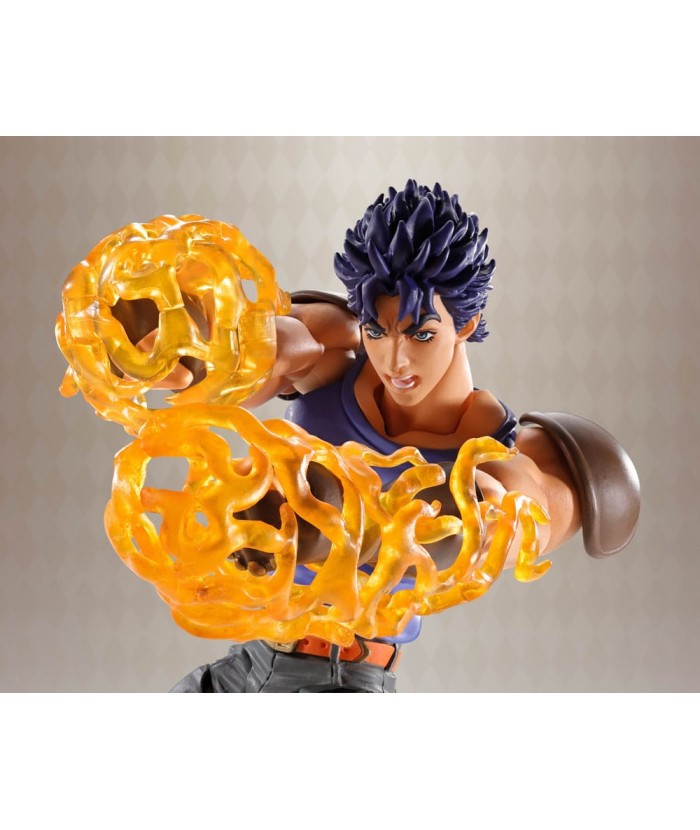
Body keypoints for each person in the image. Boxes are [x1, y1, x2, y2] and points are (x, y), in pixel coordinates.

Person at [170, 180, 640, 693]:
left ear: (466, 323)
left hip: (337, 676)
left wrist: (328, 517)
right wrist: (182, 345)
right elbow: (264, 345)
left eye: (421, 334)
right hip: (248, 655)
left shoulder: (500, 455)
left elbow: (511, 515)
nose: (395, 361)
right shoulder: (331, 360)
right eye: (377, 330)